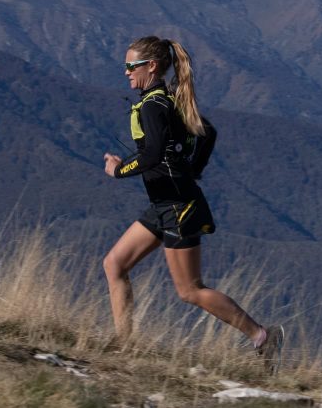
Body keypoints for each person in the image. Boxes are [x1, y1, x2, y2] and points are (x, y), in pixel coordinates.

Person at [102, 35, 284, 374]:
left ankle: (262, 336)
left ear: (151, 66)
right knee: (114, 265)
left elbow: (153, 155)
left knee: (190, 290)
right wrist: (191, 169)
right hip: (164, 204)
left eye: (131, 66)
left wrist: (118, 170)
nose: (126, 72)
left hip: (178, 208)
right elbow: (207, 133)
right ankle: (124, 348)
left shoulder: (155, 105)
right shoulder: (165, 99)